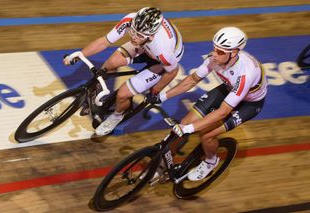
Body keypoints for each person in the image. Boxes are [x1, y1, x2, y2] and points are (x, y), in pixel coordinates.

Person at [148, 27, 267, 181]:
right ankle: (162, 166)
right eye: (215, 49)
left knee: (206, 134)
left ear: (234, 52)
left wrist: (190, 129)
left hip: (249, 104)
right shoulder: (215, 58)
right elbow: (192, 80)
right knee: (185, 122)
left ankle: (211, 161)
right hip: (229, 89)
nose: (214, 54)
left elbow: (223, 111)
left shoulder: (245, 74)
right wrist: (161, 97)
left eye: (221, 52)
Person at [64, 7, 184, 136]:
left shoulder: (163, 49)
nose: (133, 36)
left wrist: (156, 90)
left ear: (151, 35)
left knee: (122, 94)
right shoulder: (130, 20)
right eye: (132, 31)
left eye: (139, 35)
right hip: (145, 47)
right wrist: (78, 55)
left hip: (160, 62)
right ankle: (95, 95)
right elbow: (104, 42)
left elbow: (172, 71)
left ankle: (116, 116)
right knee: (109, 65)